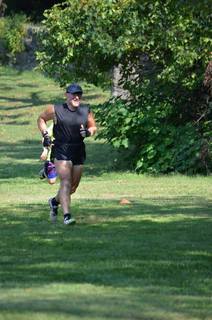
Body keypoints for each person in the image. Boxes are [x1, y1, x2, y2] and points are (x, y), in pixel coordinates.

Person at [37, 83, 97, 225]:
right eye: (73, 94)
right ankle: (67, 216)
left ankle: (54, 201)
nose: (77, 97)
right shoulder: (55, 109)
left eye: (79, 94)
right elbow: (41, 119)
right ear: (67, 95)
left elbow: (93, 126)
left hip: (78, 149)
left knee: (73, 187)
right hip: (61, 148)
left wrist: (88, 132)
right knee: (66, 181)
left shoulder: (85, 110)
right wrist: (45, 134)